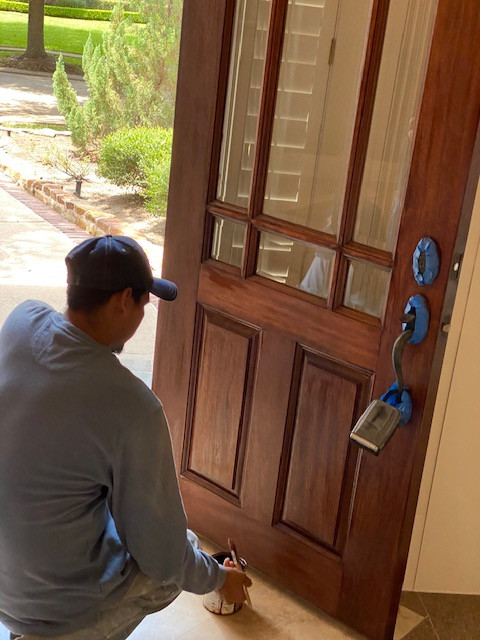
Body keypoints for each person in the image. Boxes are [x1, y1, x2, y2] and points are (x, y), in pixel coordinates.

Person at [0, 235, 251, 640]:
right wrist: (220, 579)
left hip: (6, 581)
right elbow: (164, 556)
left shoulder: (21, 321)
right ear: (122, 301)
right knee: (177, 554)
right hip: (52, 609)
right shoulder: (133, 408)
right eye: (143, 305)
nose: (141, 317)